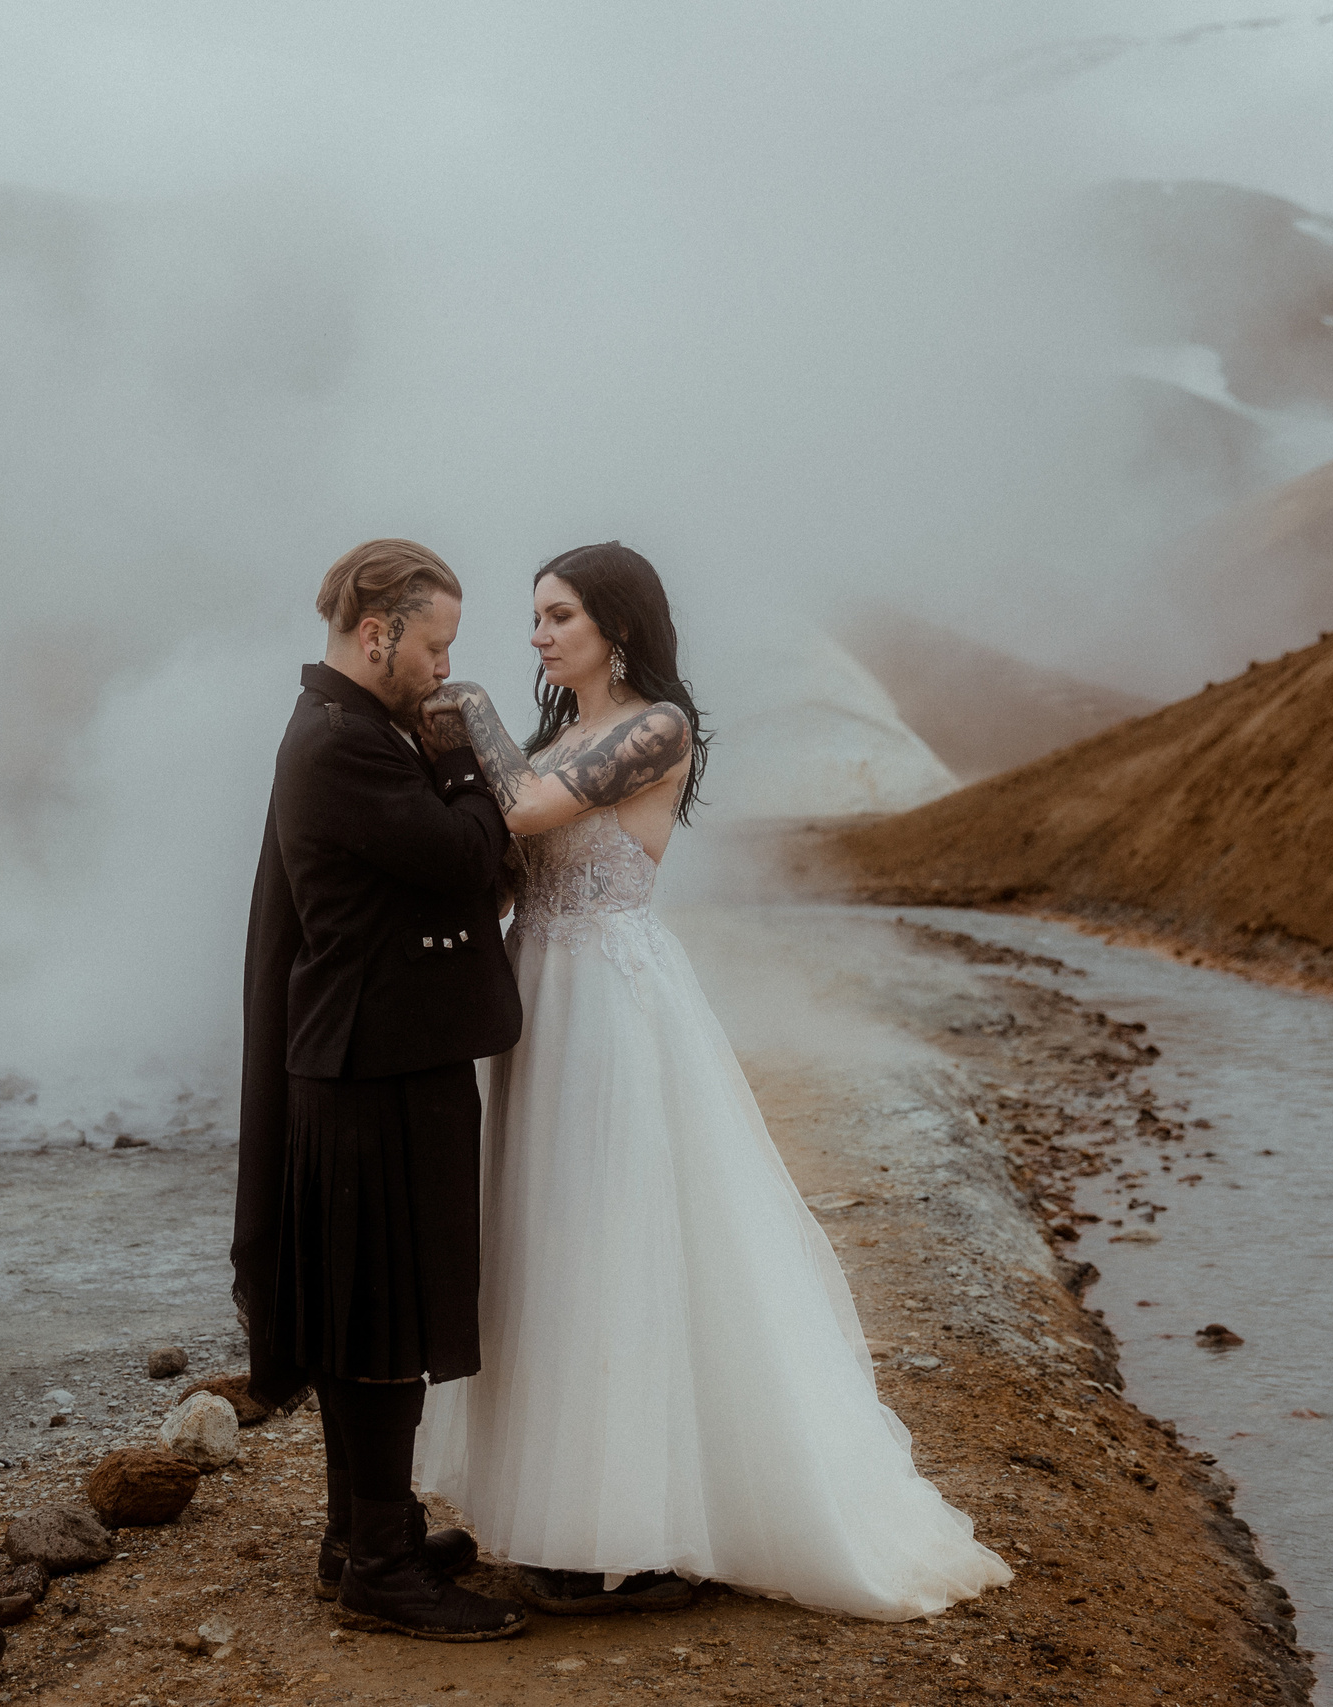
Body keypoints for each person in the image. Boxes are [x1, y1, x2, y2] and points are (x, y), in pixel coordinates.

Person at [412, 541, 1014, 1621]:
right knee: (545, 1239)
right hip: (539, 991)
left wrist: (471, 710)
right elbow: (507, 857)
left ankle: (639, 1533)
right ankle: (567, 1513)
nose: (539, 635)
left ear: (618, 627)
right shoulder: (559, 735)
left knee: (616, 1240)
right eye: (536, 618)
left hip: (609, 999)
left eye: (557, 617)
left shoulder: (656, 728)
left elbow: (531, 813)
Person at [232, 538, 532, 1642]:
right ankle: (380, 1569)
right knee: (382, 1327)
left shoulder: (346, 731)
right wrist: (460, 756)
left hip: (370, 1061)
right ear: (377, 635)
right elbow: (463, 856)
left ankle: (363, 1535)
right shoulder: (345, 743)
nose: (443, 670)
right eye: (435, 646)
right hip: (372, 1071)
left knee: (370, 1314)